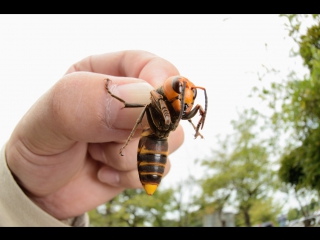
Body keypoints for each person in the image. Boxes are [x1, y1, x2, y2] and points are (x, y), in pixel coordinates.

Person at [0, 50, 184, 226]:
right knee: (143, 107)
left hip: (155, 148)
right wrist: (27, 201)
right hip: (151, 149)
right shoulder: (155, 96)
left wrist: (34, 206)